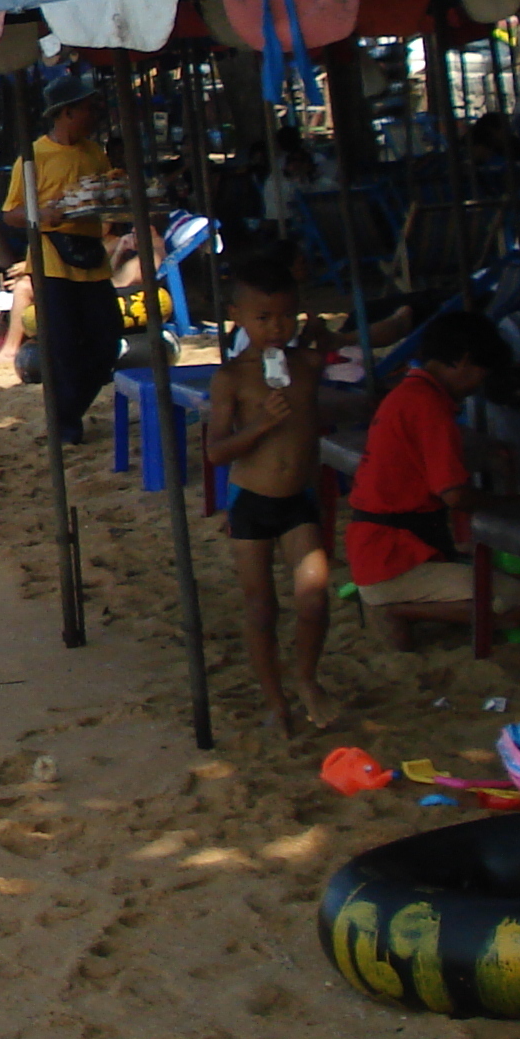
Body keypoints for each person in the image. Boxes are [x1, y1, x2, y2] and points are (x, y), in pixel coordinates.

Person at [349, 309, 520, 648]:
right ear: (463, 361)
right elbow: (455, 496)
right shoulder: (428, 405)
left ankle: (395, 602)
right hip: (392, 559)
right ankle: (398, 608)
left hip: (378, 548)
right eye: (481, 372)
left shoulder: (410, 393)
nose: (480, 384)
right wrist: (512, 504)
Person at [201, 270, 337, 732]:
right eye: (263, 318)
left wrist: (323, 336)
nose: (277, 328)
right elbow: (216, 451)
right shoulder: (232, 378)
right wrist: (260, 423)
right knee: (262, 608)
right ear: (237, 317)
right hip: (252, 501)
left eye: (286, 317)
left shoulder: (307, 365)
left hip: (298, 498)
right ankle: (275, 699)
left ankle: (306, 678)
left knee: (315, 597)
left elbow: (346, 356)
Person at [4, 81, 121, 443]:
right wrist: (43, 214)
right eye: (87, 107)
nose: (94, 114)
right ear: (67, 111)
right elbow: (11, 213)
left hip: (92, 259)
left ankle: (68, 412)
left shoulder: (94, 153)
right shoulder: (33, 157)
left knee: (106, 342)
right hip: (53, 262)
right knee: (65, 347)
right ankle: (66, 423)